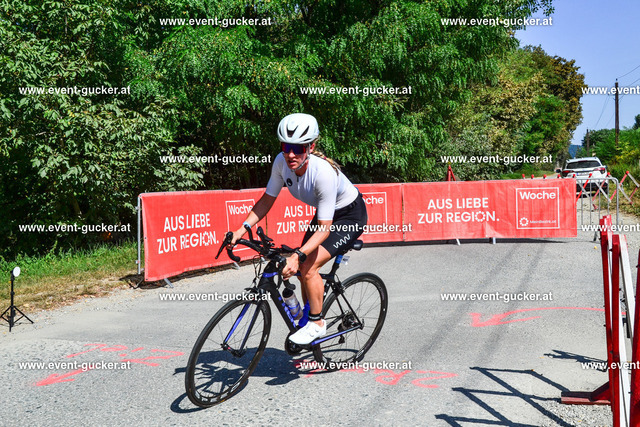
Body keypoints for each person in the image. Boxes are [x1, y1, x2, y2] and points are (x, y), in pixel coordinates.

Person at [229, 113, 368, 345]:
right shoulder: (281, 162)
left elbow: (324, 230)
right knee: (302, 267)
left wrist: (296, 256)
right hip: (326, 214)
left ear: (311, 147)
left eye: (298, 148)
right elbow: (267, 200)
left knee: (308, 265)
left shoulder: (323, 173)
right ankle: (308, 316)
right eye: (286, 147)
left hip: (349, 216)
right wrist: (241, 230)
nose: (291, 154)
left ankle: (317, 323)